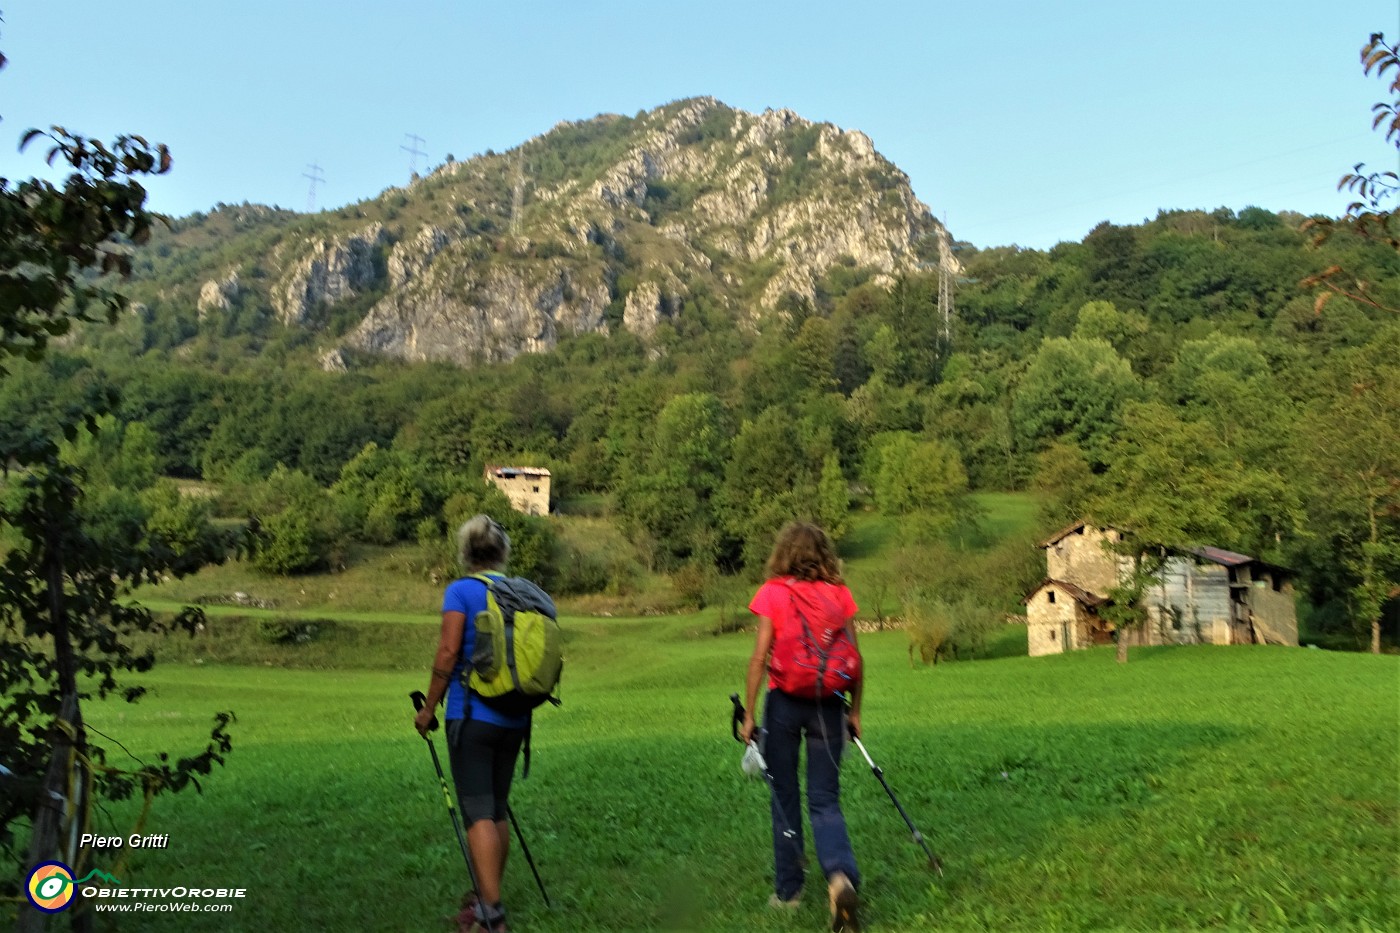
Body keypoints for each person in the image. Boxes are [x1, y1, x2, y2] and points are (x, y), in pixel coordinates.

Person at [740, 521, 863, 933]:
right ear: (824, 553)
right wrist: (856, 713)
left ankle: (789, 892)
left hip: (784, 706)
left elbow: (759, 658)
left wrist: (750, 714)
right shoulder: (839, 595)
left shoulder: (772, 593)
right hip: (829, 707)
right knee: (825, 801)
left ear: (783, 552)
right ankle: (840, 880)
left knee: (785, 799)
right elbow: (856, 661)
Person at [415, 514, 524, 933]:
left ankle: (490, 916)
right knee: (497, 810)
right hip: (515, 717)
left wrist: (429, 710)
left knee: (477, 812)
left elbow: (447, 652)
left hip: (472, 717)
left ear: (466, 553)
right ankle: (486, 896)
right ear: (501, 553)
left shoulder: (461, 590)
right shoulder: (517, 592)